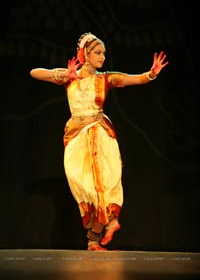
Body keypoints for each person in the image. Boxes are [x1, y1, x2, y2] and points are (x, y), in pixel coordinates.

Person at [30, 32, 169, 251]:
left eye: (103, 53)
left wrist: (151, 74)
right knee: (86, 186)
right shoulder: (70, 77)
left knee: (105, 183)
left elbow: (136, 78)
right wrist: (66, 74)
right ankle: (109, 223)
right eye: (97, 52)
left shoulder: (105, 79)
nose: (102, 56)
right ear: (85, 54)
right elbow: (34, 72)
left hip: (101, 135)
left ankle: (95, 239)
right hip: (78, 137)